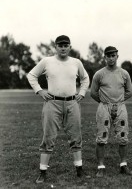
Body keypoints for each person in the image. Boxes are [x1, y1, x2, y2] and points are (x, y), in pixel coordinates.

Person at [27, 35, 90, 183]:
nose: (63, 48)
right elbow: (31, 75)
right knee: (48, 137)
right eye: (60, 45)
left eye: (65, 45)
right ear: (55, 47)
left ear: (70, 47)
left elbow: (85, 78)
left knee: (76, 136)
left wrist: (81, 93)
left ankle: (79, 170)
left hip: (72, 102)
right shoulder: (47, 61)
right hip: (52, 103)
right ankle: (42, 172)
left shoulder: (76, 62)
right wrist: (40, 91)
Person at [90, 46, 132, 177]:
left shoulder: (124, 73)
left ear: (117, 56)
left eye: (113, 55)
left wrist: (118, 101)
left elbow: (130, 91)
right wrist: (105, 102)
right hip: (104, 107)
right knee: (102, 137)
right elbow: (93, 92)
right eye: (108, 56)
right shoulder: (99, 74)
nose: (111, 58)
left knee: (123, 137)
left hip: (120, 107)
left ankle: (123, 165)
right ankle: (101, 166)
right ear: (105, 57)